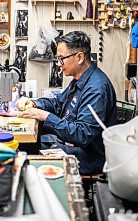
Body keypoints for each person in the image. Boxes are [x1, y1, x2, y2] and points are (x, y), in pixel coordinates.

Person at [16, 31, 117, 174]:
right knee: (25, 144)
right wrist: (35, 104)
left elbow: (81, 135)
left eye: (62, 59)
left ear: (80, 57)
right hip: (73, 146)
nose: (59, 64)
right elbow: (58, 103)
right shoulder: (80, 80)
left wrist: (45, 116)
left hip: (89, 156)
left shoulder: (96, 89)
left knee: (25, 154)